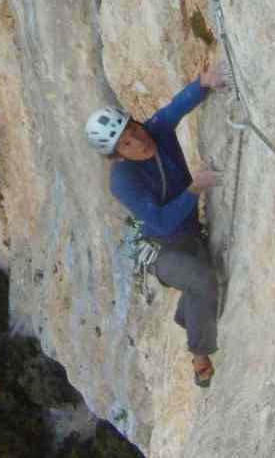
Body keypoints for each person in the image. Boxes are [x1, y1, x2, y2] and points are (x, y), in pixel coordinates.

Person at [84, 62, 226, 388]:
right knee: (204, 279)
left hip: (185, 229)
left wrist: (203, 81)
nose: (139, 140)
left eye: (133, 129)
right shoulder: (123, 181)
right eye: (126, 143)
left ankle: (186, 315)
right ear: (117, 156)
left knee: (204, 285)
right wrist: (195, 188)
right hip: (159, 246)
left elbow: (174, 108)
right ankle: (200, 353)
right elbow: (160, 222)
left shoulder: (155, 131)